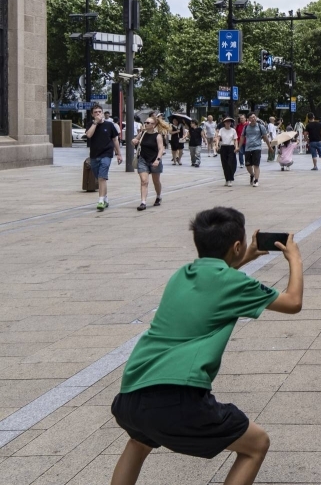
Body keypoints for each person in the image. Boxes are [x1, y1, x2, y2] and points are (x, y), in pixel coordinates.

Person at [109, 207, 303, 485]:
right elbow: (293, 302)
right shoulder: (234, 282)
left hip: (130, 396)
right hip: (177, 398)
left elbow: (214, 283)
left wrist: (239, 260)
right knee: (256, 444)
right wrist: (294, 259)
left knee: (139, 442)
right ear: (237, 246)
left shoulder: (181, 275)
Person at [85, 104, 123, 211]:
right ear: (92, 114)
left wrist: (119, 154)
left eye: (99, 112)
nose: (98, 114)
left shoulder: (109, 125)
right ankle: (105, 198)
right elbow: (89, 135)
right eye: (95, 112)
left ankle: (101, 200)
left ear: (102, 113)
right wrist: (95, 123)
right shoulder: (90, 124)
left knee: (102, 177)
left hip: (106, 154)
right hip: (94, 155)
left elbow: (115, 140)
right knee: (100, 178)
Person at [131, 116, 166, 211]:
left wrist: (158, 160)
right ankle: (143, 202)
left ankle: (158, 196)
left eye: (148, 123)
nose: (145, 124)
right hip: (143, 160)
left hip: (154, 160)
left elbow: (161, 148)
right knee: (144, 181)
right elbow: (134, 141)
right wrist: (134, 141)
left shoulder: (158, 135)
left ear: (153, 125)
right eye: (145, 122)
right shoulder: (142, 133)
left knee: (156, 181)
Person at [239, 113, 271, 187]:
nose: (253, 119)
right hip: (248, 148)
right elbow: (242, 137)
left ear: (256, 118)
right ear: (248, 119)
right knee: (247, 165)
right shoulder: (246, 127)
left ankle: (256, 180)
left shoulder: (260, 127)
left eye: (254, 117)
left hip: (257, 148)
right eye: (251, 117)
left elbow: (265, 137)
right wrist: (239, 147)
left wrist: (269, 146)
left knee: (256, 165)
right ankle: (252, 174)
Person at [215, 117, 238, 187]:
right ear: (224, 123)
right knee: (224, 164)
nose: (228, 123)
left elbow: (235, 139)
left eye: (229, 122)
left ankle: (230, 179)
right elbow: (218, 138)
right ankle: (227, 179)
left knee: (230, 163)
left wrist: (236, 147)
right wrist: (216, 145)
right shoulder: (221, 130)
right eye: (226, 122)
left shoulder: (233, 130)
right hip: (224, 147)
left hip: (231, 147)